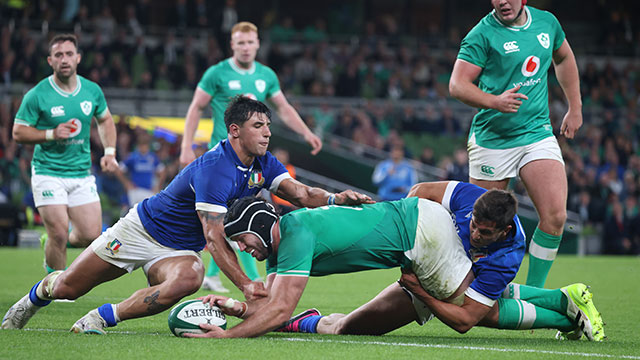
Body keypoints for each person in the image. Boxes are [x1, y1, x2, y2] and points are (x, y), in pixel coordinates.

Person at [1, 97, 372, 334]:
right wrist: (245, 284)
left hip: (178, 250)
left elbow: (301, 193)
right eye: (259, 126)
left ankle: (101, 317)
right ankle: (34, 297)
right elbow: (213, 237)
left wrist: (336, 199)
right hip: (141, 230)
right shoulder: (216, 168)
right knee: (68, 287)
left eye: (268, 126)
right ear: (235, 130)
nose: (267, 133)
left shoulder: (262, 162)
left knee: (190, 277)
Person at [182, 181, 604, 341]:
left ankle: (567, 316)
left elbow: (277, 308)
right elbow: (269, 306)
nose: (240, 249)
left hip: (423, 238)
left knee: (476, 313)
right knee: (353, 328)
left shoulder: (295, 235)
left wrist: (228, 338)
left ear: (260, 222)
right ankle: (562, 299)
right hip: (419, 233)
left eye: (241, 239)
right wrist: (238, 309)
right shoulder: (282, 248)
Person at [179, 21, 323, 292]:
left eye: (250, 42)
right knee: (231, 218)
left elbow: (283, 107)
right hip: (221, 158)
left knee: (239, 218)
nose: (245, 48)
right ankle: (247, 278)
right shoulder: (216, 73)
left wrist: (306, 132)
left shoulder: (266, 75)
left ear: (258, 44)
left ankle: (217, 274)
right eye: (240, 43)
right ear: (232, 45)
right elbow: (196, 107)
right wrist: (186, 145)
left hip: (250, 161)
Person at [448, 0, 582, 287]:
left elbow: (564, 58)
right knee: (480, 227)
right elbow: (457, 85)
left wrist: (575, 107)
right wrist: (495, 101)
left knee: (556, 216)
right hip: (492, 141)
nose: (501, 2)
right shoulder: (481, 35)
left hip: (536, 133)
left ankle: (533, 292)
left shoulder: (547, 23)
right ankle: (469, 288)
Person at [11, 34, 118, 273]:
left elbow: (105, 120)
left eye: (69, 54)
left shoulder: (91, 90)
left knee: (91, 235)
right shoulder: (38, 94)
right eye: (58, 55)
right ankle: (54, 288)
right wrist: (50, 134)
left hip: (80, 172)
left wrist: (109, 152)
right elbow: (18, 132)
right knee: (58, 232)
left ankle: (52, 242)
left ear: (78, 58)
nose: (64, 59)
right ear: (50, 61)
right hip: (48, 170)